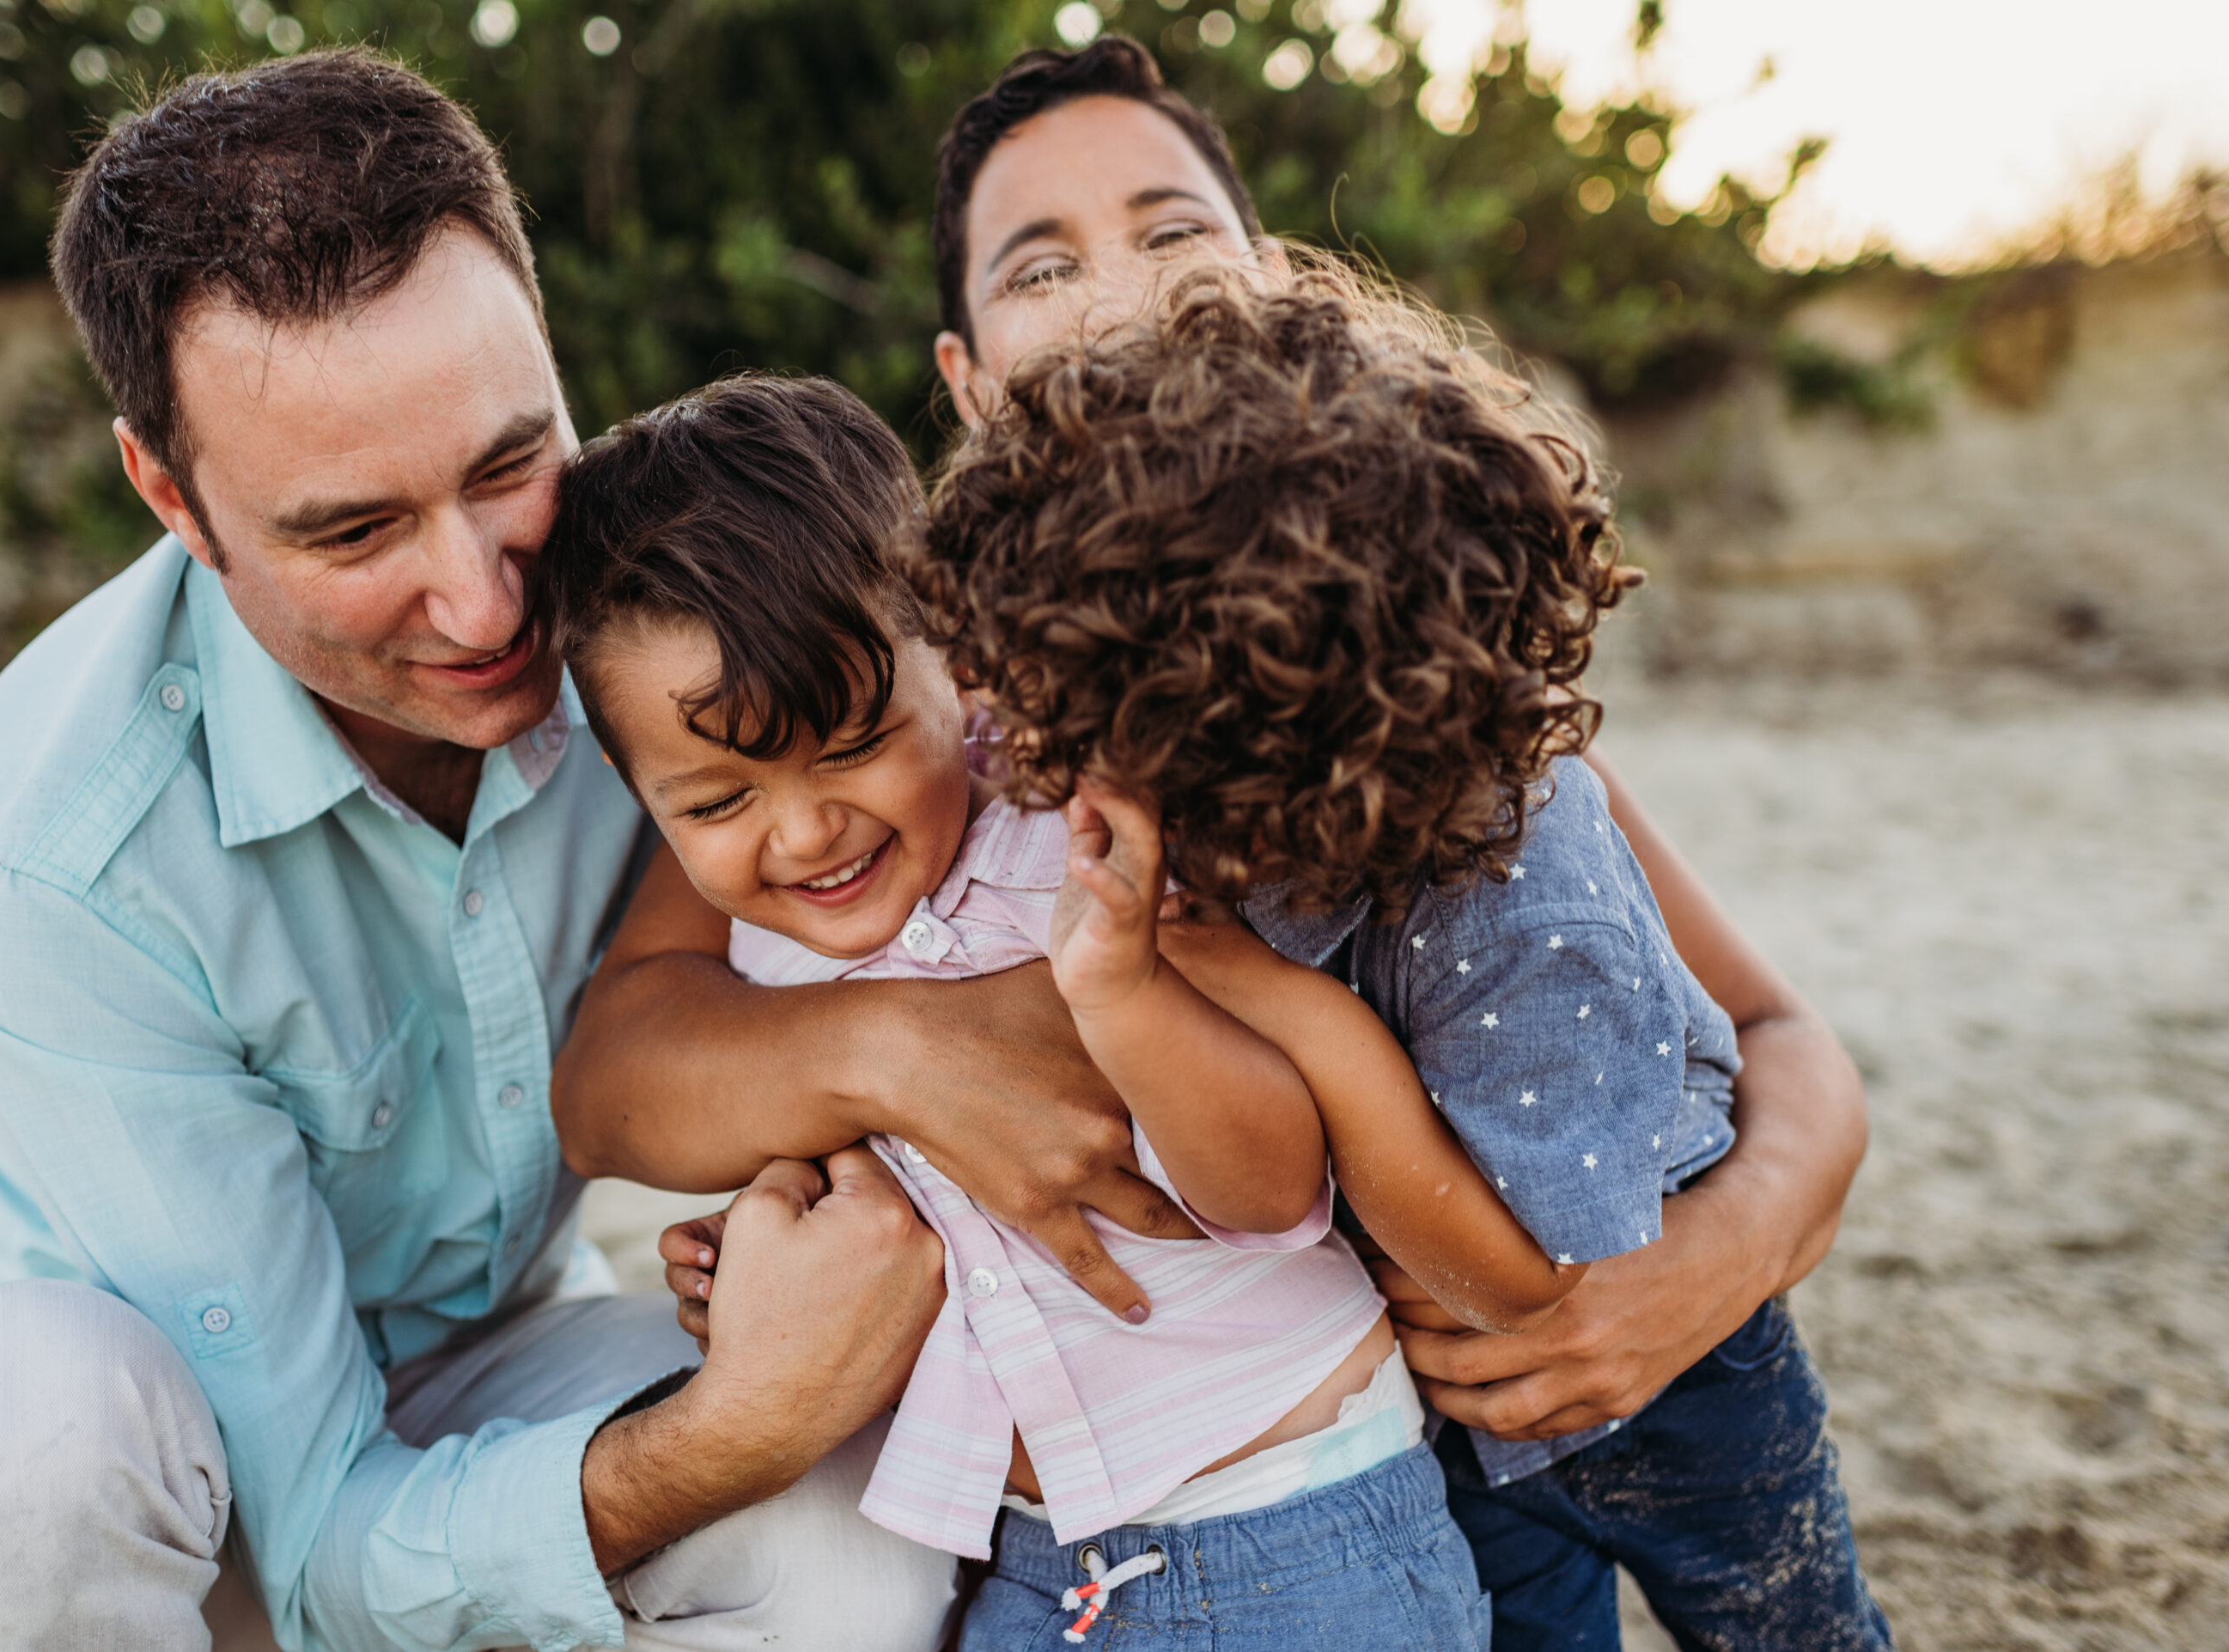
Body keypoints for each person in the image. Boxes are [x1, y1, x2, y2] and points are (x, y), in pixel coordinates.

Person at [650, 34, 1875, 1650]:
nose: (1123, 295)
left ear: (1275, 288)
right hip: (1382, 1437)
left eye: (1172, 233)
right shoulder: (944, 735)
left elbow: (1781, 1036)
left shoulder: (1417, 664)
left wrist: (1709, 1265)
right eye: (1043, 264)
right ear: (965, 382)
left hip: (1619, 1336)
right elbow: (687, 1038)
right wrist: (811, 1187)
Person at [0, 50, 962, 1652]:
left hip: (481, 1357)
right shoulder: (47, 852)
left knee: (862, 1533)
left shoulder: (675, 635)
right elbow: (321, 1529)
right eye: (352, 532)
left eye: (507, 468)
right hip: (128, 1480)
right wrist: (729, 1429)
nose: (488, 610)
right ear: (172, 496)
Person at [913, 257, 1893, 1651]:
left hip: (1669, 1383)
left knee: (1795, 1628)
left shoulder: (1530, 910)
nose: (1042, 771)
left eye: (1084, 732)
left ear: (1253, 733)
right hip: (1439, 1410)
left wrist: (1285, 1008)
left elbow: (1521, 1288)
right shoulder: (1243, 805)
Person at [544, 372, 1593, 1647]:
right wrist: (763, 1258)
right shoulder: (760, 959)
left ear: (961, 654)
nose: (804, 832)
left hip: (1295, 1532)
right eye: (715, 804)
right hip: (1042, 1566)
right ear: (629, 785)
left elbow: (1273, 1188)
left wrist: (1127, 996)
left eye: (855, 742)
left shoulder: (1085, 844)